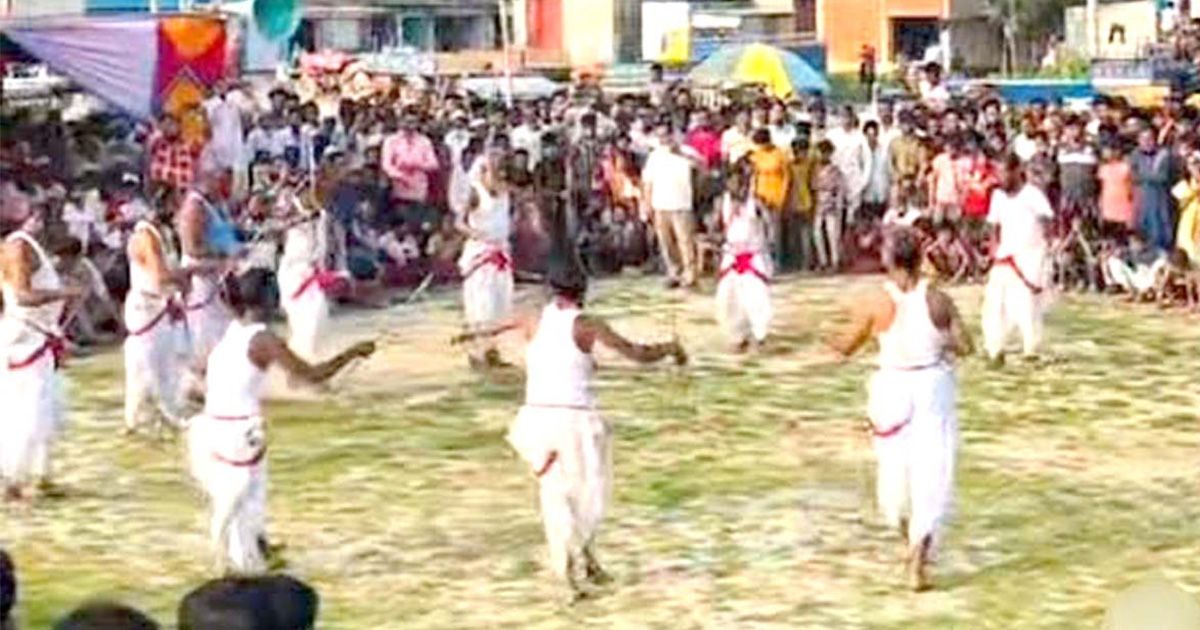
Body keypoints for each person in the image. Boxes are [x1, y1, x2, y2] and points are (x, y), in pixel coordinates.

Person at [452, 263, 686, 602]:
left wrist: (471, 334)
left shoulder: (535, 319)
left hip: (537, 420)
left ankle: (581, 564)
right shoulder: (586, 324)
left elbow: (499, 326)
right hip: (572, 423)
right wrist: (670, 348)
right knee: (587, 496)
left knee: (557, 494)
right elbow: (637, 354)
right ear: (583, 291)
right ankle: (573, 571)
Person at [188, 269, 375, 574]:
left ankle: (254, 549)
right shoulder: (263, 339)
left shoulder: (232, 332)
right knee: (246, 500)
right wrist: (353, 353)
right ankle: (244, 564)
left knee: (247, 496)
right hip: (240, 432)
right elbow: (312, 375)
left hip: (216, 428)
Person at [826, 228, 972, 592]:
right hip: (931, 386)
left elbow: (845, 347)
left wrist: (828, 334)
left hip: (892, 388)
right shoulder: (937, 300)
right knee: (931, 471)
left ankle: (912, 544)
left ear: (889, 260)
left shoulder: (877, 302)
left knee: (894, 472)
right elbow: (966, 345)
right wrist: (940, 344)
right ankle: (917, 557)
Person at [1, 211, 82, 502]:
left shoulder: (19, 245)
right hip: (27, 339)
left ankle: (38, 476)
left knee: (45, 411)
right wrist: (64, 293)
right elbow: (23, 296)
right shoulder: (17, 246)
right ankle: (14, 482)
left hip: (35, 335)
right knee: (30, 413)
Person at [124, 199, 193, 436]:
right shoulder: (146, 236)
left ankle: (165, 414)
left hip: (161, 305)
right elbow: (160, 276)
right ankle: (142, 420)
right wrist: (189, 272)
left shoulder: (161, 233)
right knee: (148, 366)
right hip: (147, 308)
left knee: (167, 364)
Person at [982, 155, 1054, 366]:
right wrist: (993, 247)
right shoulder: (997, 196)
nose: (1000, 177)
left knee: (1026, 305)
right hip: (1005, 256)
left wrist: (1046, 250)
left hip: (1030, 256)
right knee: (994, 303)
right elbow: (993, 224)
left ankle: (1031, 349)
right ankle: (995, 348)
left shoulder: (1032, 194)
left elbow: (1047, 220)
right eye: (997, 172)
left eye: (1004, 172)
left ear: (1016, 171)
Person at [177, 166, 239, 380]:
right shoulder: (195, 206)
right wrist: (223, 254)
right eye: (221, 181)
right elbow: (192, 247)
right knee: (204, 329)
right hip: (200, 275)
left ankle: (220, 374)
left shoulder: (216, 204)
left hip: (216, 273)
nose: (225, 186)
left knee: (223, 326)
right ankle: (200, 376)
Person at [456, 150, 515, 369]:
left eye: (503, 170)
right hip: (481, 255)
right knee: (482, 305)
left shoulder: (505, 190)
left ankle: (492, 351)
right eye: (496, 170)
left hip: (501, 252)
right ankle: (476, 352)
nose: (500, 175)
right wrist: (477, 234)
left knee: (501, 304)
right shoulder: (476, 192)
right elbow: (459, 222)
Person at [277, 187, 341, 367]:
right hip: (294, 272)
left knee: (319, 316)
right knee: (304, 321)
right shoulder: (290, 203)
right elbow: (278, 223)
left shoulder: (323, 212)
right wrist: (300, 217)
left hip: (313, 272)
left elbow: (327, 246)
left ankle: (308, 361)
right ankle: (300, 363)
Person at [715, 168, 772, 351]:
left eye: (741, 183)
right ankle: (738, 336)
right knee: (728, 299)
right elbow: (717, 229)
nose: (738, 187)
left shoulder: (756, 203)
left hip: (753, 256)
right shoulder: (722, 203)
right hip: (731, 256)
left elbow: (769, 226)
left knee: (757, 297)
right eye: (733, 182)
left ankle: (760, 336)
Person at [641, 122, 699, 288]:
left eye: (666, 135)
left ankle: (690, 274)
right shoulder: (654, 156)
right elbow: (648, 181)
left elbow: (702, 166)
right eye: (660, 136)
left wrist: (681, 153)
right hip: (660, 204)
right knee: (666, 242)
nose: (664, 139)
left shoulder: (687, 151)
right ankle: (674, 272)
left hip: (681, 204)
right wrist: (647, 204)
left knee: (685, 241)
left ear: (673, 135)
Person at [747, 128, 791, 266]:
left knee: (774, 231)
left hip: (776, 196)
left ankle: (776, 260)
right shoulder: (756, 155)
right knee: (761, 230)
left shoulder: (779, 154)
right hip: (760, 196)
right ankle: (762, 260)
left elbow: (786, 177)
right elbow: (753, 175)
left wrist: (782, 197)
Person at [1130, 128, 1174, 252]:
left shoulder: (1164, 155)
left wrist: (1144, 176)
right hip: (1142, 200)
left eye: (1150, 139)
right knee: (1142, 230)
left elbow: (1163, 177)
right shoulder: (1135, 155)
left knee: (1161, 230)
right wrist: (1150, 175)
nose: (1147, 142)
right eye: (1143, 139)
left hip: (1160, 199)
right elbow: (1134, 176)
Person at [813, 140, 845, 271]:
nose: (822, 155)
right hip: (819, 204)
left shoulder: (835, 170)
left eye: (824, 153)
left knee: (833, 234)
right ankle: (823, 261)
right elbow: (813, 186)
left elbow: (840, 189)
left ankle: (835, 261)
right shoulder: (815, 169)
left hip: (832, 205)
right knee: (817, 233)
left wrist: (839, 205)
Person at [1170, 151, 1200, 264]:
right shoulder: (1183, 186)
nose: (1197, 167)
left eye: (1198, 163)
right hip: (1187, 227)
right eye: (1193, 164)